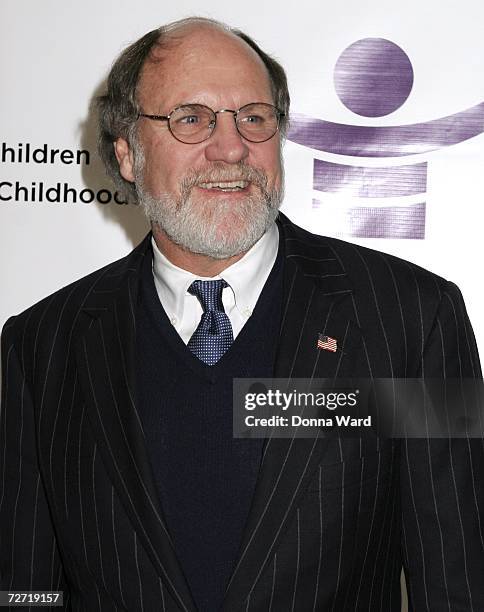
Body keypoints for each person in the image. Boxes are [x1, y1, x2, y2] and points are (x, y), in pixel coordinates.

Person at [1, 16, 483, 612]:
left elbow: (460, 580)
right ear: (127, 153)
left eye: (254, 117)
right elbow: (26, 587)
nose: (231, 148)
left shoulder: (412, 320)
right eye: (192, 118)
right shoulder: (43, 344)